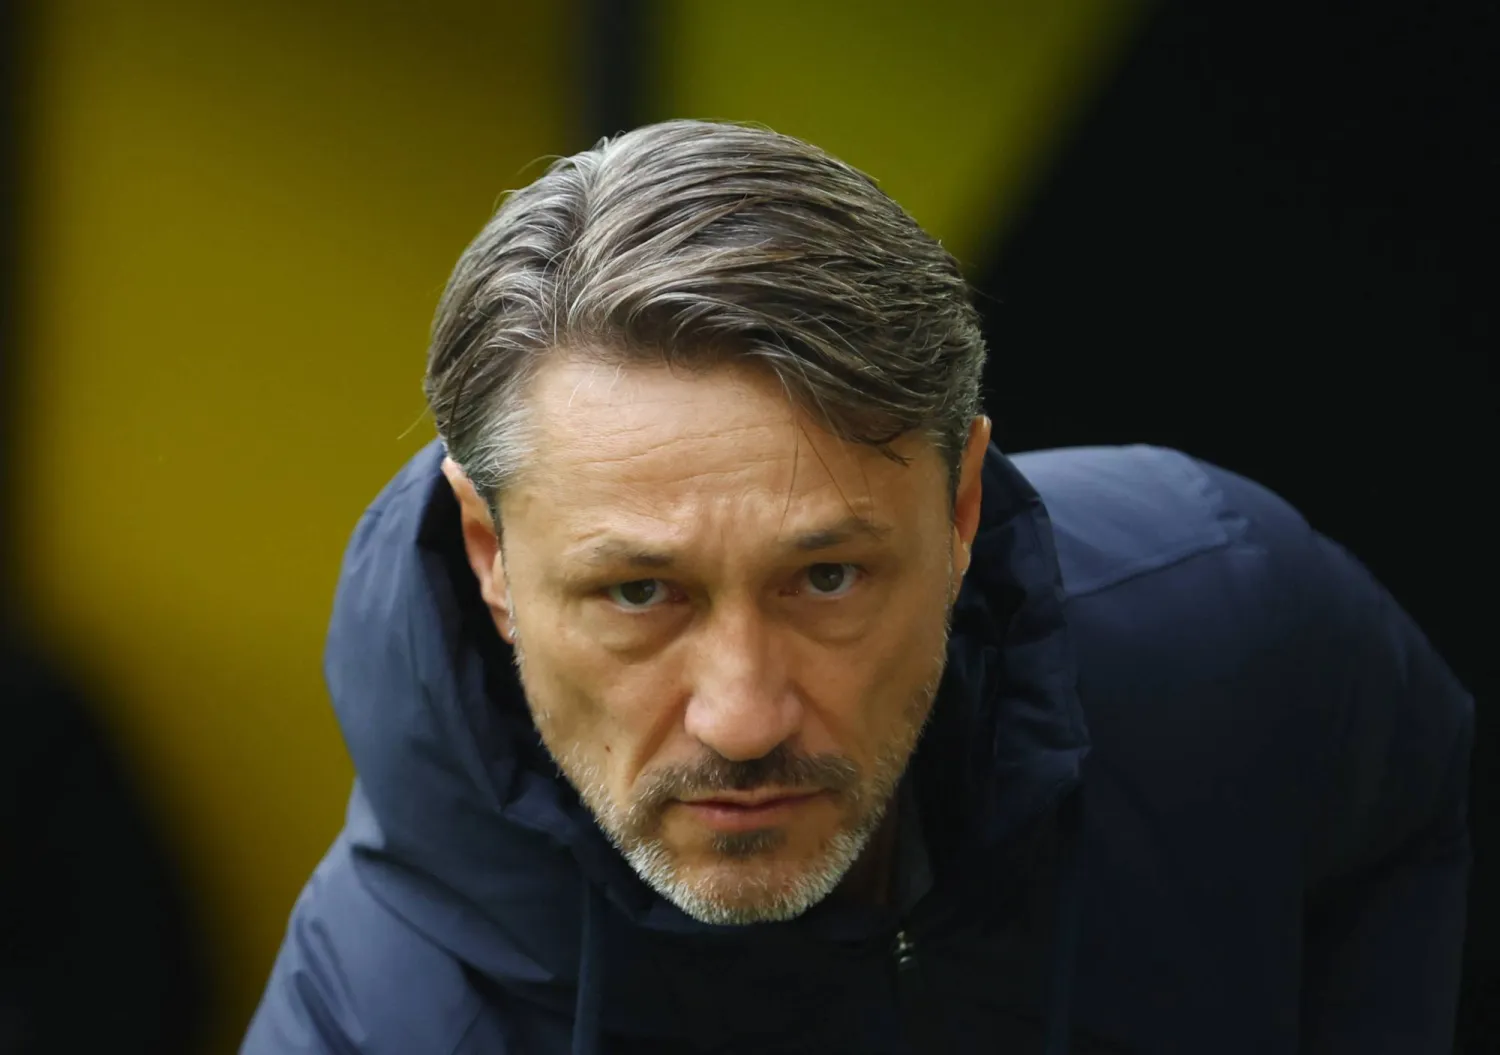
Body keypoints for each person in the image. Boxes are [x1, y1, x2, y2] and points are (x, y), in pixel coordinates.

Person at [242, 120, 1472, 1054]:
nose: (744, 716)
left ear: (961, 506)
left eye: (826, 576)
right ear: (490, 553)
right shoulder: (375, 1016)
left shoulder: (1218, 611)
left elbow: (1408, 810)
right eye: (639, 593)